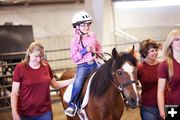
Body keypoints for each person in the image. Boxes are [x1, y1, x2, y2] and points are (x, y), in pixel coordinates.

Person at [11, 41, 74, 120]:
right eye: (36, 56)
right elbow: (14, 93)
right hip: (25, 113)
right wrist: (14, 112)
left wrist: (73, 80)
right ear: (29, 53)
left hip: (45, 112)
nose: (38, 59)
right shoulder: (20, 68)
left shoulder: (46, 66)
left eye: (41, 56)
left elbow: (55, 85)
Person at [64, 11, 102, 117]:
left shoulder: (93, 36)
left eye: (87, 24)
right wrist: (85, 50)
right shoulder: (74, 41)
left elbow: (99, 46)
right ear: (77, 27)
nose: (86, 27)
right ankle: (72, 104)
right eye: (83, 25)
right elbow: (74, 58)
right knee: (78, 83)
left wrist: (98, 54)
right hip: (83, 66)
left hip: (95, 63)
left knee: (110, 73)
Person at [157, 29, 180, 120]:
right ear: (171, 43)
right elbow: (160, 91)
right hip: (173, 107)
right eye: (177, 39)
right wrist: (162, 111)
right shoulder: (165, 65)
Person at [138, 39, 161, 120]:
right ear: (145, 53)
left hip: (167, 103)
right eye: (152, 50)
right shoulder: (139, 68)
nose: (155, 52)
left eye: (156, 50)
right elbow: (133, 84)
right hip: (148, 107)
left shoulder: (163, 66)